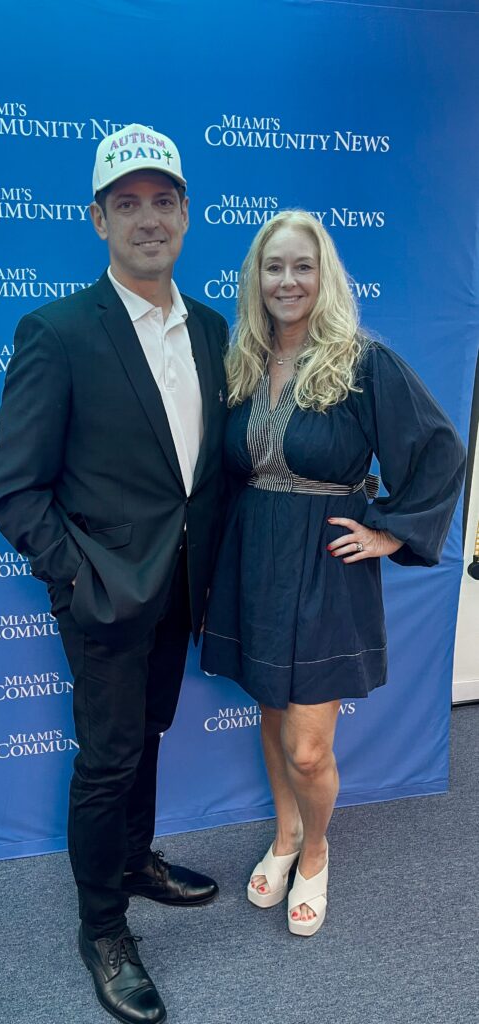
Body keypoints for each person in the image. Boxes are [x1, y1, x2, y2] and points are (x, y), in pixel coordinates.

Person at [0, 124, 228, 1023]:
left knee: (151, 735)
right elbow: (15, 492)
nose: (148, 219)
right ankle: (102, 929)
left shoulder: (210, 327)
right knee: (108, 759)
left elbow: (203, 471)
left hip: (185, 590)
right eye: (126, 205)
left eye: (162, 201)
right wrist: (79, 580)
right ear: (97, 221)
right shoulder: (54, 331)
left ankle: (137, 860)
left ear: (186, 214)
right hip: (104, 596)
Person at [201, 209, 465, 937]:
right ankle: (283, 836)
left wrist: (389, 534)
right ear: (257, 278)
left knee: (309, 746)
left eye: (302, 266)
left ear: (325, 276)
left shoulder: (361, 361)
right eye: (274, 267)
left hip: (324, 564)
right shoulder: (243, 362)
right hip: (254, 557)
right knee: (271, 709)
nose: (288, 280)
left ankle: (315, 849)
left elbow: (441, 448)